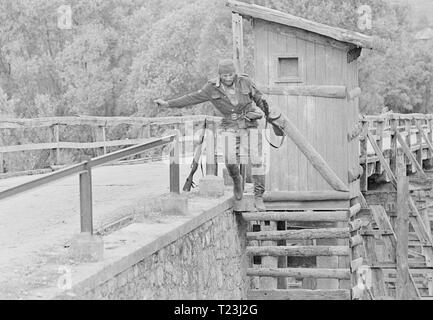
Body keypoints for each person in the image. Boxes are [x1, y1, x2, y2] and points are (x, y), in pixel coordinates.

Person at [155, 59, 270, 211]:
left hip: (249, 124)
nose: (228, 78)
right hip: (229, 125)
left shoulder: (245, 82)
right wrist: (168, 104)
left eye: (230, 75)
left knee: (256, 159)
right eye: (224, 75)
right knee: (229, 160)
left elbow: (259, 99)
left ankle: (258, 195)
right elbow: (191, 98)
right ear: (219, 75)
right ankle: (237, 181)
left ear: (234, 73)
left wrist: (269, 115)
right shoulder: (211, 88)